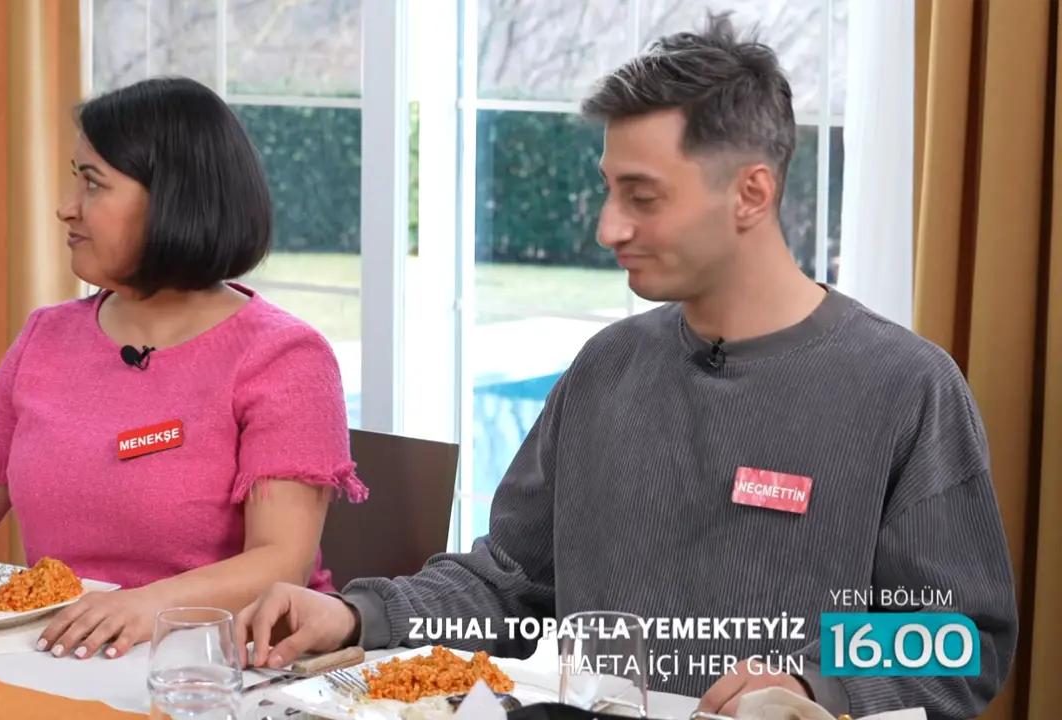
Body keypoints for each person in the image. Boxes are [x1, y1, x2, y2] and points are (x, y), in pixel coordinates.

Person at [232, 15, 1016, 720]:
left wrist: (812, 684)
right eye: (609, 190)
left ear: (751, 193)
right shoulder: (606, 368)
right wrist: (359, 615)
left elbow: (959, 636)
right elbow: (508, 581)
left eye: (643, 197)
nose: (609, 227)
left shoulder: (906, 389)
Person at [0, 77, 366, 660]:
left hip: (227, 665)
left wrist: (144, 606)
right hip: (68, 654)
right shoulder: (47, 336)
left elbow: (280, 561)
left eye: (93, 182)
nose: (66, 206)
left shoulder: (285, 357)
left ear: (173, 199)